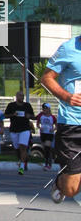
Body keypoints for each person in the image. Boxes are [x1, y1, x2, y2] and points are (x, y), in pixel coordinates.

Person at [40, 39, 81, 203]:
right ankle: (59, 182)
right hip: (72, 122)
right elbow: (46, 78)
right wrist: (67, 96)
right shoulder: (68, 48)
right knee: (71, 189)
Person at [4, 90, 35, 174]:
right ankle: (22, 159)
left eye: (23, 96)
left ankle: (21, 167)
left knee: (23, 147)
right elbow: (5, 115)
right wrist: (13, 114)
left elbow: (33, 116)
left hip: (25, 129)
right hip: (14, 130)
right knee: (17, 148)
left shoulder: (27, 106)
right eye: (20, 95)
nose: (22, 97)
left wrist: (29, 116)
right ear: (16, 96)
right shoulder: (11, 105)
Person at [36, 103, 57, 171]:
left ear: (49, 109)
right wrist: (39, 127)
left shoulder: (52, 117)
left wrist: (53, 129)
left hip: (49, 134)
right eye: (44, 108)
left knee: (47, 147)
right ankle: (49, 161)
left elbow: (56, 125)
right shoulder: (41, 115)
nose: (45, 110)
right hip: (43, 133)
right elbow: (37, 124)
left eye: (46, 108)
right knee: (45, 149)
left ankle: (47, 164)